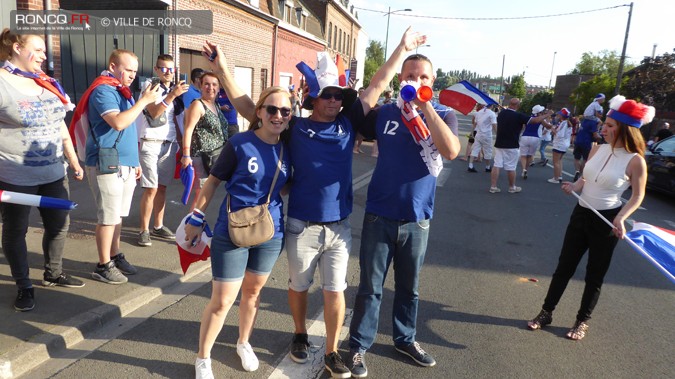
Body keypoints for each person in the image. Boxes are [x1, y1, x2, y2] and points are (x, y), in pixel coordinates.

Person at [201, 27, 427, 379]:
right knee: (299, 288)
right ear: (312, 99)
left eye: (338, 96)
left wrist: (401, 48)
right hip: (299, 225)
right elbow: (249, 106)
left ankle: (334, 352)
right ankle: (300, 333)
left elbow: (378, 85)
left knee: (336, 290)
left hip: (338, 228)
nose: (334, 101)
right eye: (326, 96)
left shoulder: (349, 124)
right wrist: (224, 67)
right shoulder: (294, 126)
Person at [348, 53, 461, 378]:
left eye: (422, 76)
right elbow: (355, 119)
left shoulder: (443, 114)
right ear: (401, 80)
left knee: (409, 288)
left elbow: (451, 151)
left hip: (417, 218)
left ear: (432, 81)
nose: (416, 80)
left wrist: (425, 107)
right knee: (370, 287)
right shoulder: (385, 114)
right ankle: (358, 346)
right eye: (410, 75)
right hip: (378, 215)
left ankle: (405, 339)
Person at [527, 95, 652, 341]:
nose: (603, 128)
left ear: (624, 130)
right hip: (581, 213)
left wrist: (622, 218)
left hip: (606, 220)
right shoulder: (598, 148)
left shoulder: (635, 161)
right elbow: (587, 178)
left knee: (595, 275)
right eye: (605, 124)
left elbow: (638, 195)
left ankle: (582, 321)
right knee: (564, 267)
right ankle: (546, 312)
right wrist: (574, 186)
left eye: (610, 125)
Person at [188, 86, 292, 379]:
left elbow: (284, 186)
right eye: (271, 109)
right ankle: (203, 358)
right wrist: (196, 216)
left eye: (285, 111)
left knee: (253, 292)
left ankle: (244, 342)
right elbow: (212, 181)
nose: (278, 116)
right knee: (222, 300)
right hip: (232, 230)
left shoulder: (288, 147)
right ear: (259, 112)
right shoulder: (239, 143)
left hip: (271, 231)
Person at [0, 30, 84, 311]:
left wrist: (73, 160)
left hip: (54, 173)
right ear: (16, 48)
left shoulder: (45, 82)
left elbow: (59, 124)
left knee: (60, 224)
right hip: (15, 176)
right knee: (16, 231)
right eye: (38, 49)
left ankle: (53, 273)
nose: (45, 56)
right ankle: (24, 285)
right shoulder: (2, 83)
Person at [77, 49, 160, 284]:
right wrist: (144, 100)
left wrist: (134, 162)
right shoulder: (103, 90)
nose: (133, 75)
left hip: (124, 163)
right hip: (106, 161)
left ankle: (114, 255)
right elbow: (119, 122)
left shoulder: (122, 91)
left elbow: (131, 129)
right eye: (128, 69)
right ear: (113, 66)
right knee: (108, 216)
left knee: (118, 215)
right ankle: (103, 265)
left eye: (135, 70)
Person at [136, 54, 189, 247]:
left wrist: (184, 146)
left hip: (169, 143)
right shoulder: (150, 87)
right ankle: (144, 230)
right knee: (151, 188)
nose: (168, 72)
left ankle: (158, 226)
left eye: (171, 69)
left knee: (162, 188)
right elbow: (153, 112)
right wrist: (173, 95)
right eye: (164, 68)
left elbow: (178, 118)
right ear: (156, 69)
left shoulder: (173, 90)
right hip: (150, 142)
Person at [181, 72, 228, 210]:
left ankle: (196, 225)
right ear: (200, 86)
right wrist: (186, 155)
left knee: (204, 194)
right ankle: (190, 227)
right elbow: (188, 130)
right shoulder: (198, 105)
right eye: (206, 84)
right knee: (200, 195)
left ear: (219, 88)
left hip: (214, 157)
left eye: (214, 84)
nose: (210, 87)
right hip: (201, 158)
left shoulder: (216, 106)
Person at [489, 98, 551, 193]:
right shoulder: (518, 115)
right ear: (517, 105)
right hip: (512, 144)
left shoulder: (501, 113)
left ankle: (493, 186)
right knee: (511, 167)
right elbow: (535, 120)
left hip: (499, 142)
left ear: (509, 104)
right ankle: (512, 187)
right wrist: (547, 114)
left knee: (497, 165)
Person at [574, 93, 605, 181]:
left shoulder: (584, 121)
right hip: (586, 142)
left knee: (576, 158)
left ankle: (576, 170)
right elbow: (595, 135)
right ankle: (580, 174)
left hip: (578, 141)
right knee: (585, 159)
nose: (600, 115)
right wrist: (601, 139)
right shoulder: (593, 122)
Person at [467, 102, 496, 172]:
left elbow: (475, 123)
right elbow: (494, 125)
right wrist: (498, 134)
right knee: (488, 151)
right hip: (487, 135)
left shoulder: (479, 112)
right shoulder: (492, 113)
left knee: (475, 150)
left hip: (478, 134)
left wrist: (472, 132)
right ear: (491, 106)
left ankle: (470, 166)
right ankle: (488, 167)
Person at [519, 105, 546, 179]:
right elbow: (547, 126)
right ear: (539, 112)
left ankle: (523, 169)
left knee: (523, 155)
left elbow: (523, 127)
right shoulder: (540, 119)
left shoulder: (528, 118)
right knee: (530, 156)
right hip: (535, 137)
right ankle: (526, 170)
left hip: (525, 136)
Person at [547, 108, 573, 183]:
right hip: (564, 144)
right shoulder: (567, 123)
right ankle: (559, 176)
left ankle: (556, 178)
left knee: (556, 162)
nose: (558, 115)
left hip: (559, 144)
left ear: (562, 115)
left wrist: (553, 130)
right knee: (559, 160)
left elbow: (560, 135)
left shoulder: (564, 123)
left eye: (559, 114)